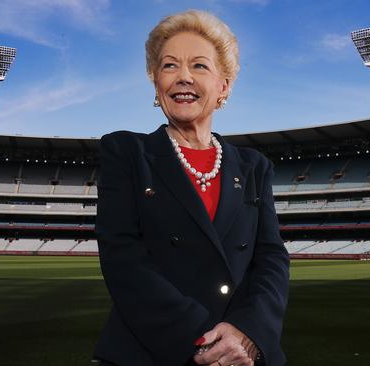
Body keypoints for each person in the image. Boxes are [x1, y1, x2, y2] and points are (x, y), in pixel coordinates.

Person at [93, 10, 289, 366]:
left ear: (223, 86)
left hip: (244, 356)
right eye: (169, 66)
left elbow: (271, 259)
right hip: (154, 353)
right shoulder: (126, 152)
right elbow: (123, 260)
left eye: (199, 66)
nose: (183, 77)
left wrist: (247, 333)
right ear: (156, 82)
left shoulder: (254, 166)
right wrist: (202, 342)